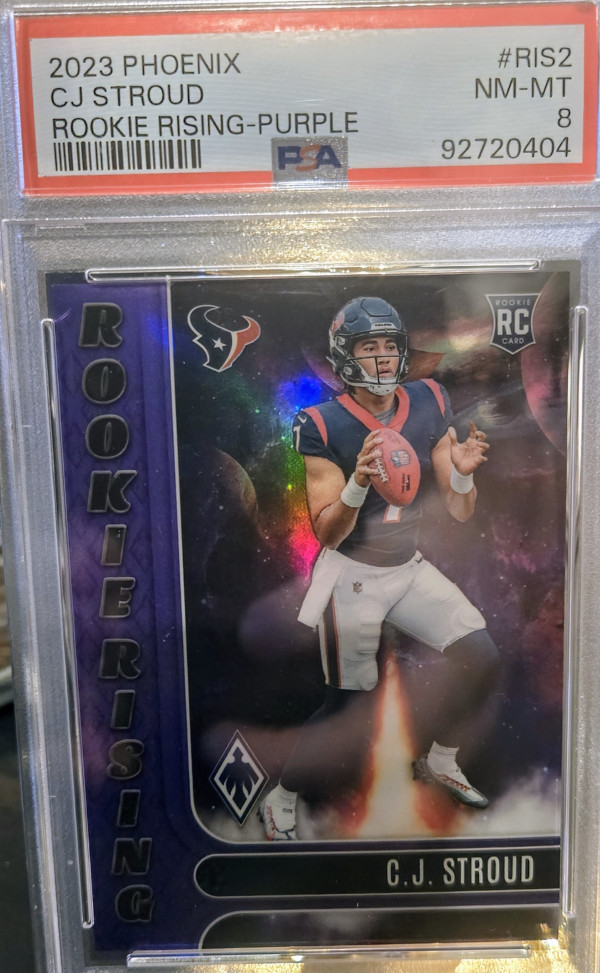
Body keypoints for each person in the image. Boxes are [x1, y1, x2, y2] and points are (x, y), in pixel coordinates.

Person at [260, 296, 500, 840]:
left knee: (481, 656)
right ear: (345, 356)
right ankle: (283, 795)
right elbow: (327, 533)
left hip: (407, 567)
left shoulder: (430, 398)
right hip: (352, 576)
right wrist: (357, 483)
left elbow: (460, 510)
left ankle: (438, 760)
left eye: (390, 346)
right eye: (369, 346)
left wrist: (462, 475)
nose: (384, 357)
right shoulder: (321, 423)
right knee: (349, 703)